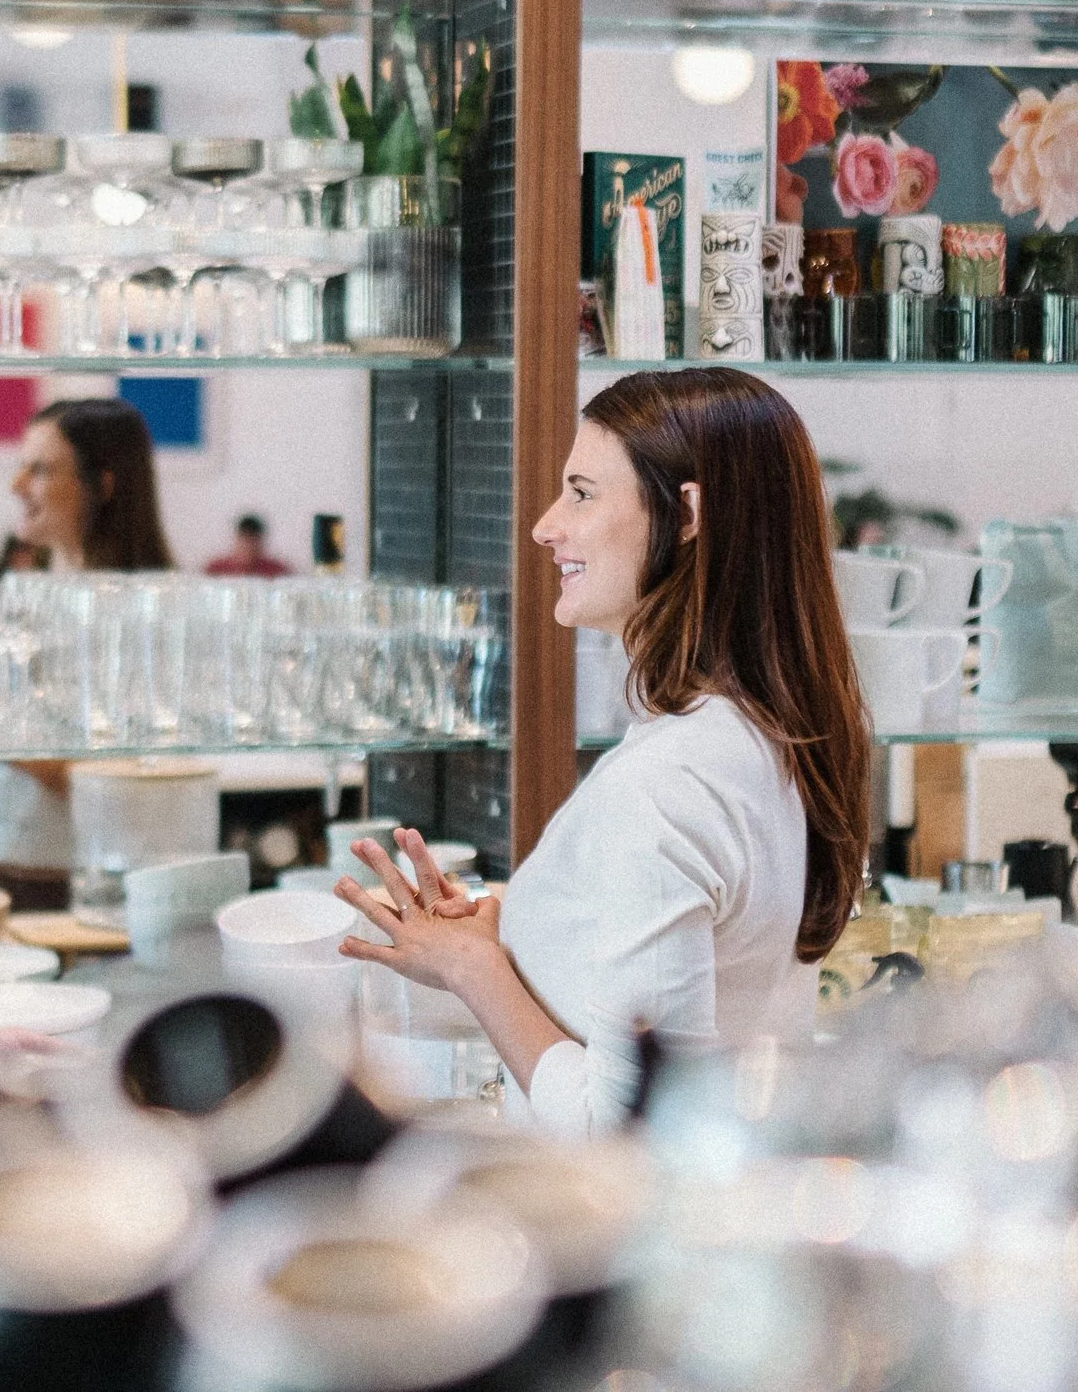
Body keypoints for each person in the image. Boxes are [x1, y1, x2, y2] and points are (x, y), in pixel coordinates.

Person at [335, 368, 870, 1135]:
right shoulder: (763, 733)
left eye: (582, 493)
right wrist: (503, 922)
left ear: (686, 515)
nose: (546, 525)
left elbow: (632, 1127)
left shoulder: (662, 787)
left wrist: (475, 968)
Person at [0, 398, 173, 908]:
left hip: (80, 883)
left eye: (39, 469)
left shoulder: (152, 614)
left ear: (101, 486)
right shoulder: (26, 590)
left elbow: (118, 784)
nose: (16, 486)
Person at [205, 513, 291, 578]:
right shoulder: (216, 570)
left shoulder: (277, 571)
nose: (248, 546)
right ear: (237, 540)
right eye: (244, 541)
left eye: (253, 541)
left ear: (260, 542)